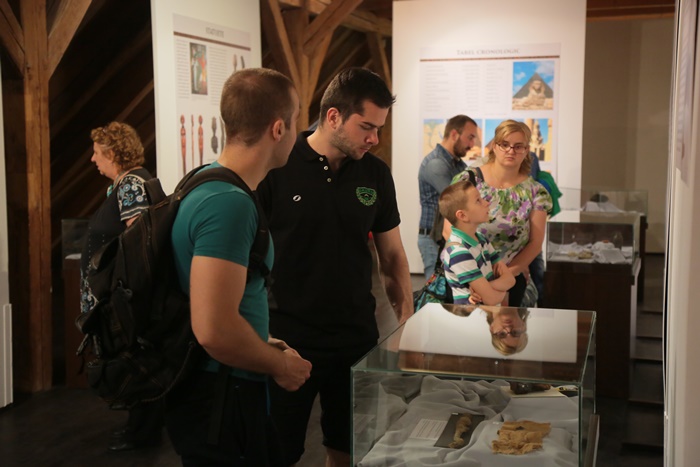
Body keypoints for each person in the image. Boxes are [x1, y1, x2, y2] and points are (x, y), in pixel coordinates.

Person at [257, 67, 414, 467]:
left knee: (348, 448)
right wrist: (261, 338)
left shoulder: (375, 174)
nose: (374, 139)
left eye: (379, 128)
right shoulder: (278, 166)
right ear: (333, 117)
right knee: (278, 452)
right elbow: (248, 261)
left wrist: (406, 320)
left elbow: (393, 256)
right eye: (366, 127)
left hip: (355, 339)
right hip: (288, 340)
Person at [166, 68, 312, 466]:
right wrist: (280, 366)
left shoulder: (205, 182)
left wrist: (262, 341)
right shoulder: (228, 204)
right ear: (278, 128)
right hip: (221, 393)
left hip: (223, 385)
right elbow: (214, 328)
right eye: (296, 119)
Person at [80, 121, 164, 451]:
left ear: (113, 153)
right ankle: (137, 428)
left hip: (121, 297)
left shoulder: (130, 184)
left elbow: (136, 242)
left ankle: (143, 433)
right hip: (117, 295)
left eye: (97, 152)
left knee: (132, 358)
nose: (93, 159)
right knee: (129, 357)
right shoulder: (126, 183)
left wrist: (123, 294)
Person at [452, 120, 552, 307]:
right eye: (504, 144)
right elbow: (449, 230)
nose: (511, 151)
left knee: (505, 326)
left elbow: (535, 243)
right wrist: (477, 279)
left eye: (518, 146)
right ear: (495, 146)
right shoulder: (468, 180)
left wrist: (505, 276)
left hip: (510, 280)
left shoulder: (536, 192)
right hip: (467, 276)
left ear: (526, 150)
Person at [418, 115, 479, 278]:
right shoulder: (436, 164)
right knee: (437, 290)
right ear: (454, 134)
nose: (472, 144)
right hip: (434, 239)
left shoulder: (458, 164)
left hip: (446, 236)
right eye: (470, 137)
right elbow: (459, 200)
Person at [438, 180, 515, 305]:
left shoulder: (481, 239)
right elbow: (491, 299)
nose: (486, 203)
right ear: (462, 215)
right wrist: (500, 289)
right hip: (472, 316)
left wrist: (488, 287)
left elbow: (510, 280)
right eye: (478, 201)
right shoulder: (459, 252)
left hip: (486, 315)